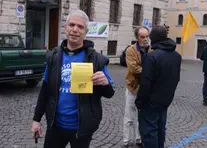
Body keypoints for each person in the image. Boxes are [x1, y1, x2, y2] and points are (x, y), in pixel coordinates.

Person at [31, 10, 115, 148]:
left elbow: (109, 94)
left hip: (82, 127)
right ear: (65, 28)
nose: (75, 29)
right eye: (72, 25)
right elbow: (45, 91)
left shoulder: (97, 60)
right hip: (55, 125)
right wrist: (36, 120)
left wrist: (105, 83)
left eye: (80, 27)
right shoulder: (54, 57)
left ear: (86, 32)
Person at [135, 25, 181, 148]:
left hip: (150, 103)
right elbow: (176, 79)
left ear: (153, 38)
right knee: (161, 130)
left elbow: (145, 83)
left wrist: (139, 102)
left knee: (149, 133)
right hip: (165, 101)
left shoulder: (153, 56)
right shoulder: (176, 55)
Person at [123, 26, 151, 148]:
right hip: (132, 87)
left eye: (147, 36)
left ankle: (139, 139)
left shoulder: (151, 50)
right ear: (137, 37)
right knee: (129, 116)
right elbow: (133, 68)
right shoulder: (131, 50)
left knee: (142, 116)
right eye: (142, 37)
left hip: (145, 89)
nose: (145, 39)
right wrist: (149, 72)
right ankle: (127, 141)